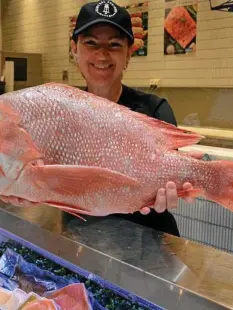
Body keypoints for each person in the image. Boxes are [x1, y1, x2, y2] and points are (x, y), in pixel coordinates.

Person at [70, 0, 201, 237]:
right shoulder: (59, 111)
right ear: (74, 49)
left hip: (149, 241)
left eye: (114, 44)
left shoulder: (154, 109)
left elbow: (167, 176)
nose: (102, 54)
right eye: (90, 42)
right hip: (78, 239)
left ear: (129, 54)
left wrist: (174, 187)